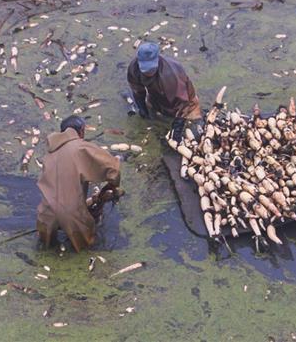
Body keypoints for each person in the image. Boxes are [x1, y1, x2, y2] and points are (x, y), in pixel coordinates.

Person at [36, 115, 121, 252]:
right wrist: (113, 185)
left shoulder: (49, 155)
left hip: (45, 215)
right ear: (81, 131)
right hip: (72, 215)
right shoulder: (81, 148)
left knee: (46, 252)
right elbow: (113, 169)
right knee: (84, 253)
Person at [127, 41, 202, 142]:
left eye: (151, 68)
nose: (149, 72)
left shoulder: (171, 74)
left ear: (157, 59)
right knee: (155, 122)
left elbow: (183, 104)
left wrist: (177, 129)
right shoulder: (134, 68)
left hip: (186, 103)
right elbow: (137, 89)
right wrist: (142, 109)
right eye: (145, 69)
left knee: (195, 126)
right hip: (156, 98)